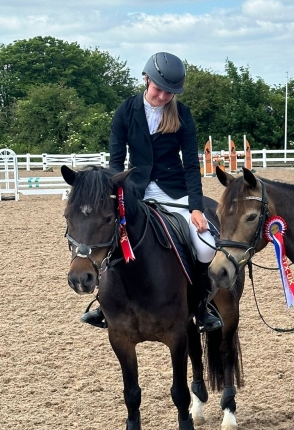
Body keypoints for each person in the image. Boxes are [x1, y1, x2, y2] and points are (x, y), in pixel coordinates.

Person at [81, 51, 221, 333]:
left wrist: (195, 207)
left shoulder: (181, 113)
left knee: (206, 246)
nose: (163, 96)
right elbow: (116, 162)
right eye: (159, 89)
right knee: (114, 239)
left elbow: (191, 163)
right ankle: (103, 303)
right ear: (146, 79)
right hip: (137, 192)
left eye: (170, 92)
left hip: (175, 191)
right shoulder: (125, 111)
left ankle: (202, 305)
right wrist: (115, 198)